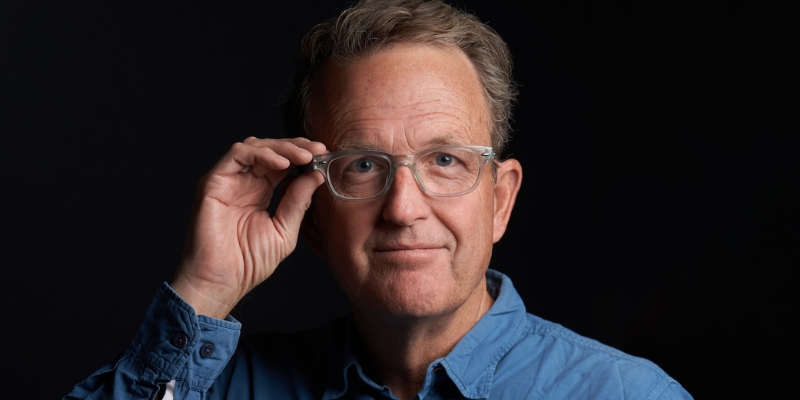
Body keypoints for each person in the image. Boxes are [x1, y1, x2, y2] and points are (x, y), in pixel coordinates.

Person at [66, 0, 692, 399]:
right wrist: (203, 290)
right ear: (310, 217)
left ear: (500, 201)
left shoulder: (624, 394)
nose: (404, 209)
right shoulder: (226, 389)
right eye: (364, 165)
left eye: (444, 161)